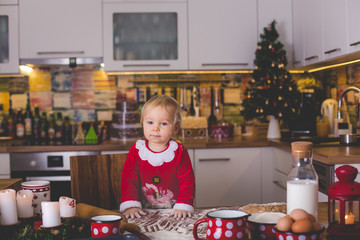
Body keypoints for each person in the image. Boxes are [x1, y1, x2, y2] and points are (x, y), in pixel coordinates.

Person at [120, 95, 195, 220]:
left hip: (175, 211)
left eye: (163, 123)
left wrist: (184, 205)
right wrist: (130, 204)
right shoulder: (137, 150)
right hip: (142, 212)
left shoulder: (179, 152)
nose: (155, 128)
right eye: (150, 122)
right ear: (142, 123)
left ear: (175, 128)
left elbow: (187, 181)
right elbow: (129, 180)